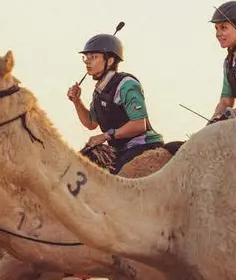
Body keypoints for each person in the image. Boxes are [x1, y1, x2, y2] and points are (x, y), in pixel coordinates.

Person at [66, 30, 164, 174]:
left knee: (114, 180)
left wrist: (105, 136)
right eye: (86, 57)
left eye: (93, 57)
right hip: (120, 149)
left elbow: (139, 125)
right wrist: (76, 101)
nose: (87, 61)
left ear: (110, 61)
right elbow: (91, 123)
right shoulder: (99, 91)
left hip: (142, 145)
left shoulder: (126, 84)